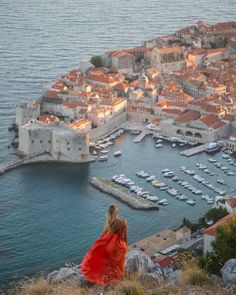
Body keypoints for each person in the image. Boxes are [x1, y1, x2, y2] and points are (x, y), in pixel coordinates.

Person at [81, 204, 128, 286]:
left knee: (106, 264)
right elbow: (125, 237)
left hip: (109, 248)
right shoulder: (123, 222)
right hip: (119, 247)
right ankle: (119, 279)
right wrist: (124, 246)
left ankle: (106, 280)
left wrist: (99, 246)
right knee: (118, 265)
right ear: (117, 212)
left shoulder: (107, 223)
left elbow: (103, 236)